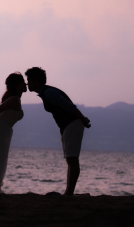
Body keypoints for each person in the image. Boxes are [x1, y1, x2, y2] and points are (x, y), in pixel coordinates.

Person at [24, 66, 91, 196]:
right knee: (70, 159)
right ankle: (69, 192)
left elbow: (70, 106)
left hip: (72, 124)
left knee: (72, 159)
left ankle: (69, 193)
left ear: (37, 81)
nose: (27, 84)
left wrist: (82, 119)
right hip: (68, 126)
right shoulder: (46, 92)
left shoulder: (49, 93)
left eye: (29, 80)